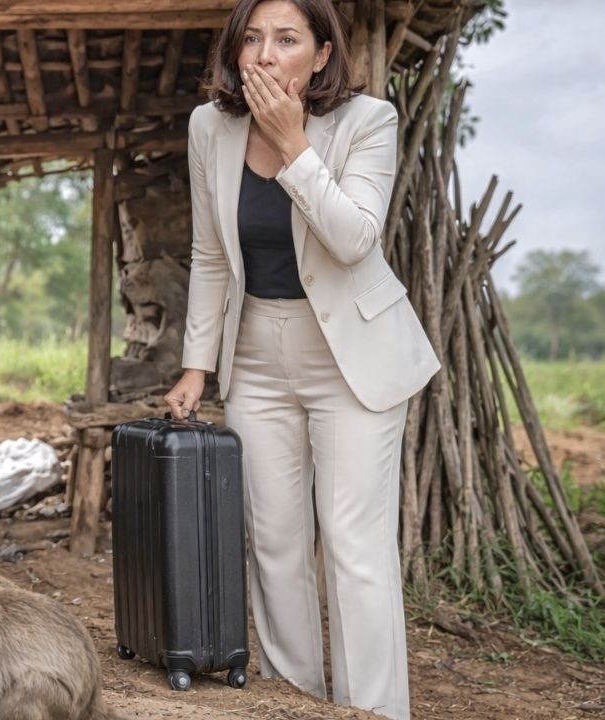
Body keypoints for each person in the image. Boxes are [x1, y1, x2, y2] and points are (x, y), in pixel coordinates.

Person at [163, 1, 439, 718]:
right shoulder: (209, 128)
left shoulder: (367, 122)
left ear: (320, 55)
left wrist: (293, 144)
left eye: (286, 39)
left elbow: (353, 241)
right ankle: (298, 703)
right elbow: (209, 253)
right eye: (251, 38)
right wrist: (199, 364)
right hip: (255, 355)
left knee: (354, 551)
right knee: (275, 545)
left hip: (353, 358)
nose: (262, 54)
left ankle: (373, 710)